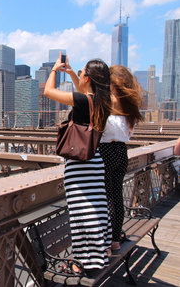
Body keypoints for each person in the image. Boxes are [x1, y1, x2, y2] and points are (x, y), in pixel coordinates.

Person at [44, 53, 112, 273]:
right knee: (96, 209)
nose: (80, 75)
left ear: (88, 79)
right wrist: (73, 73)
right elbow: (84, 93)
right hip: (95, 161)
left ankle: (81, 263)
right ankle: (99, 253)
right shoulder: (102, 101)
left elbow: (48, 92)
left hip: (79, 165)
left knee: (80, 213)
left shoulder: (84, 101)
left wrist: (54, 70)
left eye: (83, 73)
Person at [99, 65, 144, 251]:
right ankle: (115, 240)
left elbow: (85, 96)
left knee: (106, 199)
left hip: (105, 151)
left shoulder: (109, 100)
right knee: (117, 198)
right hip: (121, 152)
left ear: (113, 82)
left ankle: (106, 242)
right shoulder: (128, 104)